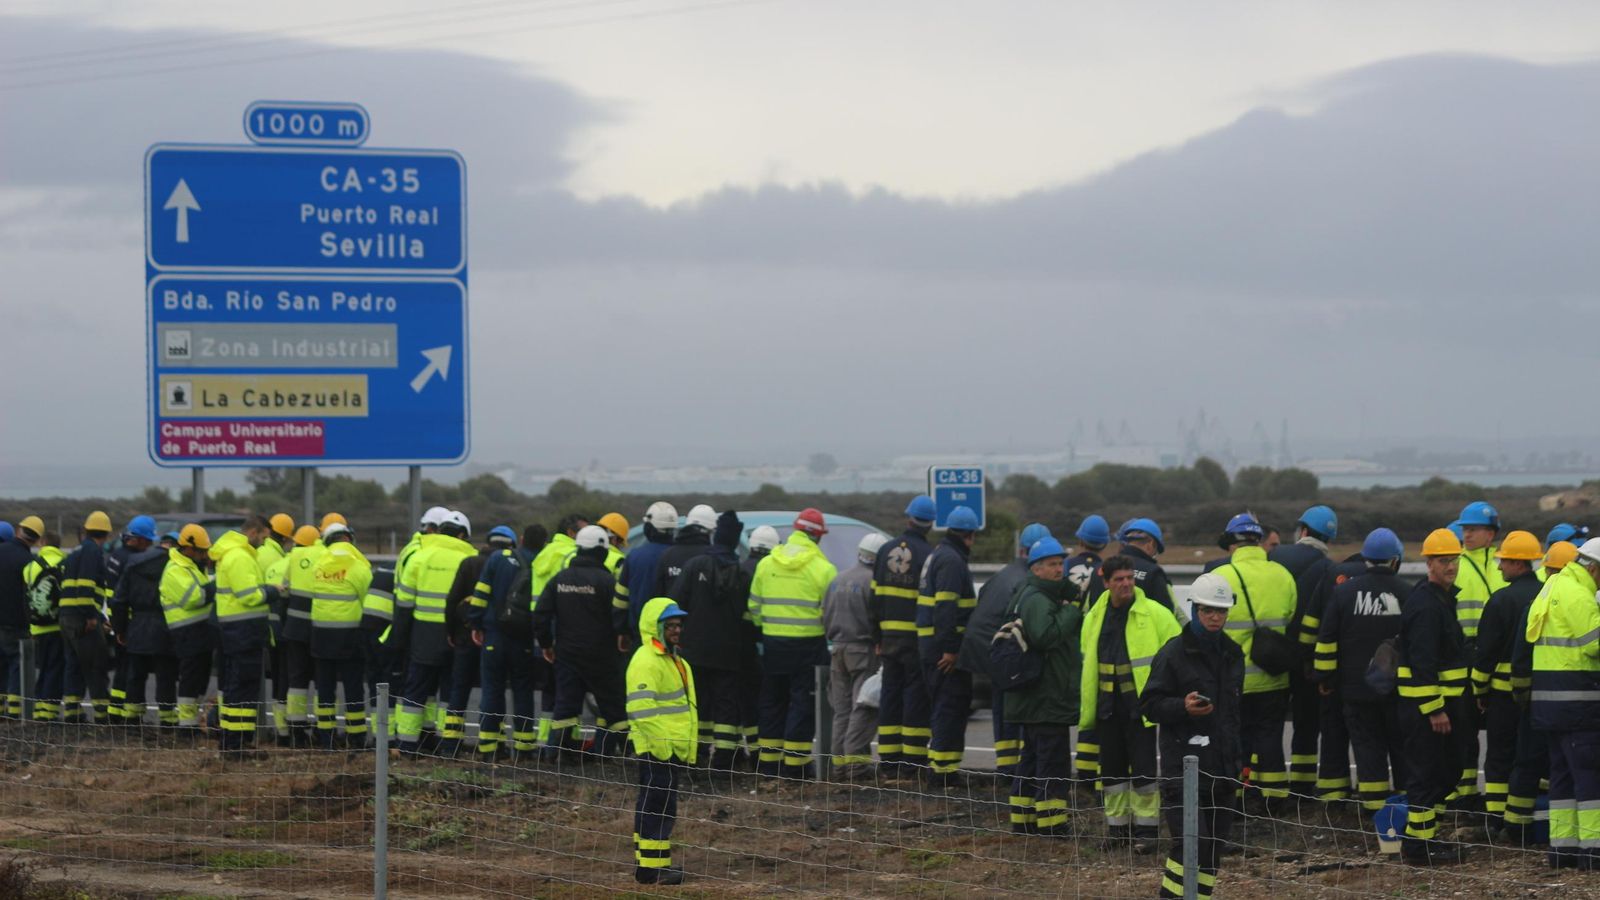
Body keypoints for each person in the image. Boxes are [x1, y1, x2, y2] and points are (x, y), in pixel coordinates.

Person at [1143, 572, 1245, 899]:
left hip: (1223, 770)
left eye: (1221, 611)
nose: (1216, 617)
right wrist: (1182, 707)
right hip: (1183, 769)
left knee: (1212, 851)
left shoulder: (1233, 653)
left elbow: (1233, 714)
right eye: (1208, 610)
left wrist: (1239, 762)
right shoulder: (1173, 653)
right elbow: (1149, 704)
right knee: (1191, 846)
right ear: (1194, 609)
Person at [1080, 555, 1181, 853]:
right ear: (1106, 583)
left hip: (1141, 709)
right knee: (1111, 774)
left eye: (1129, 578)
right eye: (1119, 579)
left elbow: (1177, 653)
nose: (1126, 584)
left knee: (1144, 773)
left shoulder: (1155, 614)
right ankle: (1118, 831)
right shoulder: (1095, 616)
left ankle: (1147, 832)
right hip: (1107, 707)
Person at [1313, 528, 1409, 814]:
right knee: (1401, 748)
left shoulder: (1343, 593)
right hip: (1397, 690)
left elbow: (1326, 641)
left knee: (1368, 750)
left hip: (1355, 691)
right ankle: (1405, 806)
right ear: (1395, 560)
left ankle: (1375, 809)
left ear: (1365, 558)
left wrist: (1325, 679)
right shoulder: (1408, 592)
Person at [1396, 528, 1472, 865]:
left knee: (1446, 771)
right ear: (1429, 562)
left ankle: (1427, 838)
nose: (1451, 566)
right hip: (1428, 709)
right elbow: (1422, 663)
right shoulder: (1427, 605)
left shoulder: (1440, 598)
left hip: (1446, 704)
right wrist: (1435, 709)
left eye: (1454, 560)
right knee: (1427, 776)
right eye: (1444, 561)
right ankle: (1417, 846)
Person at [1525, 537, 1600, 870]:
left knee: (1562, 778)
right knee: (1589, 777)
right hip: (1577, 702)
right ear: (1595, 569)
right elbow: (1594, 645)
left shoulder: (1553, 584)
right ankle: (1594, 850)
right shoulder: (1578, 595)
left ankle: (1563, 849)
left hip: (1549, 703)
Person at [1214, 512, 1298, 809]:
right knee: (1270, 739)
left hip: (1235, 679)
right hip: (1274, 675)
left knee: (1236, 741)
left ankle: (1236, 798)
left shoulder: (1221, 578)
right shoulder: (1282, 575)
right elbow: (1289, 615)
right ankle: (1275, 801)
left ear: (1231, 544)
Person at [1003, 537, 1083, 837]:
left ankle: (1023, 820)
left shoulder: (1035, 594)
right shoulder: (1037, 598)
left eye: (1060, 563)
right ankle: (1052, 825)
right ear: (1036, 568)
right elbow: (1046, 636)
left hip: (1038, 696)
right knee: (1052, 761)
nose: (1058, 569)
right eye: (1051, 564)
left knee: (1033, 759)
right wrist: (1071, 611)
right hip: (1046, 696)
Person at [750, 508, 836, 779]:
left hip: (773, 646)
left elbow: (754, 608)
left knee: (772, 702)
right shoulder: (824, 570)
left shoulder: (766, 564)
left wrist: (771, 630)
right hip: (809, 648)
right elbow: (831, 614)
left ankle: (768, 764)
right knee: (803, 705)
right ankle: (796, 767)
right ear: (817, 536)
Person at [960, 522, 1050, 777]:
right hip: (999, 651)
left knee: (1002, 709)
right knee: (1013, 708)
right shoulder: (1027, 581)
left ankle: (1007, 765)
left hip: (983, 648)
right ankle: (1013, 769)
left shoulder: (1004, 573)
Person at [1471, 530, 1545, 833]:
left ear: (1518, 564)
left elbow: (1485, 652)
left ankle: (1497, 819)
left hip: (1502, 696)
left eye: (1504, 562)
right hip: (1537, 695)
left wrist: (1479, 689)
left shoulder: (1500, 600)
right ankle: (1522, 820)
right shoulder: (1544, 595)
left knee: (1499, 758)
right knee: (1528, 757)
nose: (1499, 566)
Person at [535, 525, 630, 759]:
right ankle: (631, 754)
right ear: (602, 552)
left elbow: (540, 614)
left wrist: (547, 645)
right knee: (614, 708)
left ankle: (557, 756)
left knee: (566, 707)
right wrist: (622, 638)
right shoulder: (608, 582)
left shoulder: (560, 579)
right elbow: (619, 614)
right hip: (603, 656)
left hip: (567, 654)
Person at [1504, 540, 1576, 845]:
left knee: (1529, 763)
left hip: (1537, 702)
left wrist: (1523, 698)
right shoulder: (1579, 603)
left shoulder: (1537, 603)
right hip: (1570, 705)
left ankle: (1518, 830)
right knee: (1561, 768)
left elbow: (1520, 659)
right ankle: (1555, 833)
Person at [670, 511, 754, 774]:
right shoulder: (741, 574)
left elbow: (675, 603)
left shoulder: (696, 566)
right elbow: (747, 618)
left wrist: (678, 637)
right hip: (729, 652)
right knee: (726, 706)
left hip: (694, 650)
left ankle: (696, 754)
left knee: (698, 704)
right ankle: (724, 761)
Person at [1270, 505, 1338, 800]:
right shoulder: (1327, 568)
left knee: (1268, 722)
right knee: (1306, 721)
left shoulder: (1276, 556)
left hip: (1270, 653)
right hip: (1307, 658)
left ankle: (1265, 785)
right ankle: (1302, 785)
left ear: (1303, 531)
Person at [395, 511, 476, 757]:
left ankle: (408, 745)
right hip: (458, 634)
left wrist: (400, 638)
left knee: (417, 689)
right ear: (463, 535)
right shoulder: (471, 558)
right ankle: (448, 747)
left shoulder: (420, 557)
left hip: (423, 634)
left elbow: (404, 603)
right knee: (451, 691)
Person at [627, 597, 696, 886]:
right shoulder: (647, 661)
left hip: (669, 748)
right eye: (670, 626)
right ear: (655, 628)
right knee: (657, 806)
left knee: (660, 806)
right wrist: (663, 747)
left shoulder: (673, 660)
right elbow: (642, 710)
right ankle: (651, 870)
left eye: (679, 625)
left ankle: (652, 865)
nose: (676, 631)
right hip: (659, 749)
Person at [871, 496, 936, 776]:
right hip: (915, 640)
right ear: (930, 523)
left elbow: (874, 599)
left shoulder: (885, 551)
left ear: (908, 518)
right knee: (915, 699)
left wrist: (876, 637)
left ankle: (887, 760)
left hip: (888, 639)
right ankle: (912, 763)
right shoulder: (929, 555)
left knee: (890, 696)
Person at [469, 524, 542, 761]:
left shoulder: (497, 559)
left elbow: (481, 595)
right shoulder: (541, 563)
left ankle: (490, 749)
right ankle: (523, 748)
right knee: (523, 692)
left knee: (492, 690)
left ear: (521, 539)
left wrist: (476, 625)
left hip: (494, 635)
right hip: (524, 639)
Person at [1451, 501, 1506, 806]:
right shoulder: (1456, 564)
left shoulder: (1502, 566)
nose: (1467, 534)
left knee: (1499, 734)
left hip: (1496, 659)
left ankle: (1497, 798)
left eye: (1473, 529)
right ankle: (1465, 794)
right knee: (1464, 732)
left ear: (1491, 533)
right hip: (1464, 656)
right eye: (1465, 529)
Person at [922, 505, 980, 783]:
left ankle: (943, 768)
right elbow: (945, 608)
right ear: (970, 535)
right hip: (944, 650)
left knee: (946, 708)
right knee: (950, 709)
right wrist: (951, 649)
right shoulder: (952, 560)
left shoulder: (942, 554)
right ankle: (943, 773)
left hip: (934, 645)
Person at [822, 530, 887, 780]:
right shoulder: (873, 582)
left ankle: (839, 766)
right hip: (863, 652)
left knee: (842, 710)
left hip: (837, 650)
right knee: (863, 708)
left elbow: (825, 617)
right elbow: (877, 620)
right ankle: (857, 766)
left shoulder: (837, 580)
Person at [443, 527, 506, 758]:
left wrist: (451, 631)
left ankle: (451, 744)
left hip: (463, 636)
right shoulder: (506, 567)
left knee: (459, 688)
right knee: (493, 690)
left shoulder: (469, 563)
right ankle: (493, 744)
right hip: (492, 637)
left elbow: (452, 601)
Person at [310, 522, 373, 749]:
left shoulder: (318, 564)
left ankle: (326, 738)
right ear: (348, 538)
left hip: (320, 636)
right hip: (350, 637)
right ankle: (356, 739)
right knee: (353, 688)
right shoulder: (357, 566)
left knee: (324, 690)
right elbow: (369, 599)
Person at [108, 515, 174, 728]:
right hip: (164, 626)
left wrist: (120, 629)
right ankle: (167, 720)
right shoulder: (171, 563)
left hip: (136, 626)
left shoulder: (132, 563)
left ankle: (131, 719)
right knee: (165, 676)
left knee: (135, 676)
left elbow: (119, 601)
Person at [211, 528, 270, 757]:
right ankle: (233, 744)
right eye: (263, 537)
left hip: (239, 631)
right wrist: (272, 592)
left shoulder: (235, 555)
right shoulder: (239, 557)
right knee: (241, 686)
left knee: (242, 686)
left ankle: (237, 740)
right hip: (243, 631)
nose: (264, 542)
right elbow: (249, 595)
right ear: (253, 532)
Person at [1064, 515, 1109, 785]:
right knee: (1096, 704)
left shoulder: (1065, 565)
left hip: (1068, 644)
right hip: (1094, 644)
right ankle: (1091, 770)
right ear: (1104, 544)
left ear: (1080, 539)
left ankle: (1081, 768)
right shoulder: (1106, 570)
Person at [160, 525, 216, 738]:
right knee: (190, 678)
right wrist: (219, 584)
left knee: (200, 677)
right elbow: (194, 598)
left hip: (200, 630)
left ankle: (192, 722)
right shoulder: (175, 569)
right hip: (185, 632)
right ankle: (186, 726)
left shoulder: (191, 567)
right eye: (201, 551)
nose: (204, 555)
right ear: (189, 548)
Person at [59, 511, 113, 724]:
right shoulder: (92, 552)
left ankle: (72, 712)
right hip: (82, 618)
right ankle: (101, 715)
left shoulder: (76, 551)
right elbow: (85, 585)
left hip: (67, 617)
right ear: (107, 534)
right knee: (96, 665)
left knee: (73, 665)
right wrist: (91, 617)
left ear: (87, 530)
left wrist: (98, 615)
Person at [277, 523, 325, 747]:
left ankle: (296, 730)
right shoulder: (325, 554)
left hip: (295, 629)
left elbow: (284, 590)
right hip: (318, 628)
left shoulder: (293, 557)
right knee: (321, 679)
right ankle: (320, 727)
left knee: (296, 679)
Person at [738, 525, 780, 760]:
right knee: (767, 700)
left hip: (743, 647)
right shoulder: (770, 570)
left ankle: (754, 751)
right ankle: (765, 752)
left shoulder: (742, 569)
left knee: (747, 702)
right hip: (769, 644)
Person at [18, 521, 66, 724]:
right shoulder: (66, 563)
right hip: (58, 625)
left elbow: (27, 596)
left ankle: (38, 709)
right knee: (55, 668)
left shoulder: (30, 567)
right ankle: (51, 711)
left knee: (42, 667)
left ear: (43, 543)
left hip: (37, 626)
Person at [0, 515, 39, 720]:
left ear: (19, 530)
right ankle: (14, 713)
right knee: (17, 664)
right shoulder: (28, 561)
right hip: (16, 623)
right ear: (38, 539)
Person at [618, 502, 677, 632]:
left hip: (641, 632)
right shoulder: (680, 557)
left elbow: (621, 599)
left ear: (649, 527)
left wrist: (621, 630)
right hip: (675, 633)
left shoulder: (634, 556)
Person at [1116, 518, 1176, 615]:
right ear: (1151, 543)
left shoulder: (1103, 568)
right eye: (1156, 550)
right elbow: (1166, 613)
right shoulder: (1153, 573)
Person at [653, 505, 715, 596]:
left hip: (672, 609)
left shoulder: (668, 555)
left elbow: (658, 593)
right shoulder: (712, 557)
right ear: (710, 530)